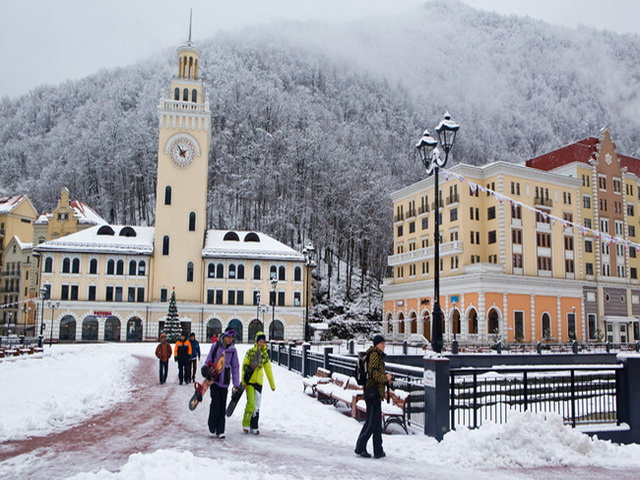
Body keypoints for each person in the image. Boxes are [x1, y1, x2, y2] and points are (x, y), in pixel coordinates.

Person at [355, 334, 393, 459]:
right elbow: (374, 373)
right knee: (371, 422)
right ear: (377, 344)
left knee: (376, 423)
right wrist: (385, 378)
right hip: (373, 392)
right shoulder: (375, 355)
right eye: (382, 343)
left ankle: (378, 450)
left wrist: (386, 379)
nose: (384, 345)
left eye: (384, 343)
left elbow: (376, 373)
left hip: (374, 392)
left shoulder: (375, 355)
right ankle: (360, 447)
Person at [205, 328, 240, 438]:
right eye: (228, 337)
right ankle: (212, 425)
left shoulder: (233, 350)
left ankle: (220, 430)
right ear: (223, 336)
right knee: (215, 403)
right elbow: (208, 361)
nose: (230, 339)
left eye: (232, 338)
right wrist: (208, 370)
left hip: (225, 381)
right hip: (215, 380)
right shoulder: (215, 346)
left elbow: (235, 367)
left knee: (222, 406)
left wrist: (236, 384)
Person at [241, 331, 275, 435]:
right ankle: (246, 423)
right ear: (256, 341)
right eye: (260, 341)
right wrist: (243, 381)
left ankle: (254, 426)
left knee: (256, 406)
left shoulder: (265, 355)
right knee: (250, 404)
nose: (261, 343)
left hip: (259, 383)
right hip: (250, 382)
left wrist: (272, 384)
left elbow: (268, 369)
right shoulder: (250, 352)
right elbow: (244, 366)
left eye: (263, 342)